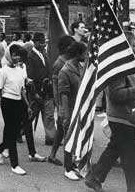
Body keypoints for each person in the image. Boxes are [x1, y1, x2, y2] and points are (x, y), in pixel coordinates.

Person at [85, 32, 135, 192]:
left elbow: (129, 85)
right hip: (122, 117)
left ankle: (95, 177)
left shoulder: (126, 64)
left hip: (124, 115)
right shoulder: (118, 67)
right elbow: (116, 94)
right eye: (133, 44)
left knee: (114, 148)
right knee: (133, 158)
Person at [0, 44, 32, 175]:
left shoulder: (20, 70)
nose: (17, 57)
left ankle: (0, 148)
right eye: (14, 55)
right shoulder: (3, 71)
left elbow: (22, 90)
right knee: (11, 132)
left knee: (13, 133)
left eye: (18, 55)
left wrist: (28, 105)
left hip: (19, 102)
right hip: (7, 103)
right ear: (9, 55)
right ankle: (15, 165)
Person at [57, 41, 87, 180]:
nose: (86, 55)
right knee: (68, 138)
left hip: (78, 108)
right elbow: (63, 93)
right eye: (84, 53)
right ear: (77, 54)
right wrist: (66, 115)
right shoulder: (65, 70)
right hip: (69, 109)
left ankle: (74, 164)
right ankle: (67, 168)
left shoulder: (79, 67)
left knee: (77, 138)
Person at [48, 35, 75, 166]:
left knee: (60, 130)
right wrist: (59, 107)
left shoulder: (69, 60)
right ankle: (70, 161)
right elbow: (55, 87)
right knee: (66, 130)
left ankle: (52, 155)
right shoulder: (60, 63)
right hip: (63, 101)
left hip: (70, 100)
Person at [26, 32, 55, 145]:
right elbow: (30, 78)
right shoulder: (30, 56)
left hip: (47, 90)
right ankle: (20, 132)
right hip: (36, 91)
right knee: (31, 115)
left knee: (49, 115)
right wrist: (35, 94)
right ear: (35, 42)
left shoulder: (45, 54)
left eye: (44, 42)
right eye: (41, 42)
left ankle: (51, 137)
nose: (43, 44)